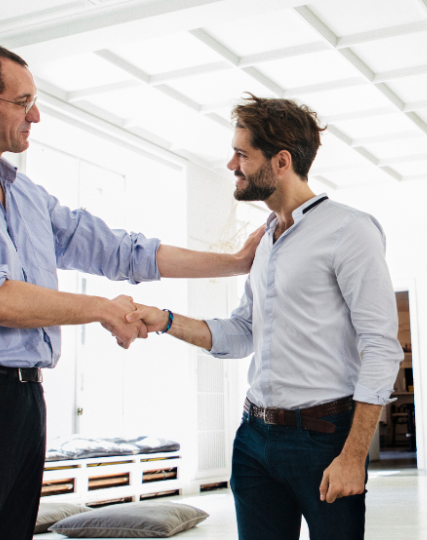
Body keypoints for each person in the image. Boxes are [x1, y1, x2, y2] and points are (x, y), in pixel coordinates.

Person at [0, 42, 261, 540]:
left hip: (25, 402)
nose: (35, 114)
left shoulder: (27, 195)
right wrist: (102, 310)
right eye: (22, 102)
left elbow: (124, 252)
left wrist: (232, 264)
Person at [126, 94, 402, 540]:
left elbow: (381, 347)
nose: (231, 164)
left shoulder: (350, 230)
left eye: (242, 154)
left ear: (281, 161)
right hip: (254, 439)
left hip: (324, 438)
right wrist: (166, 320)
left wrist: (353, 455)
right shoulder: (266, 241)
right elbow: (243, 333)